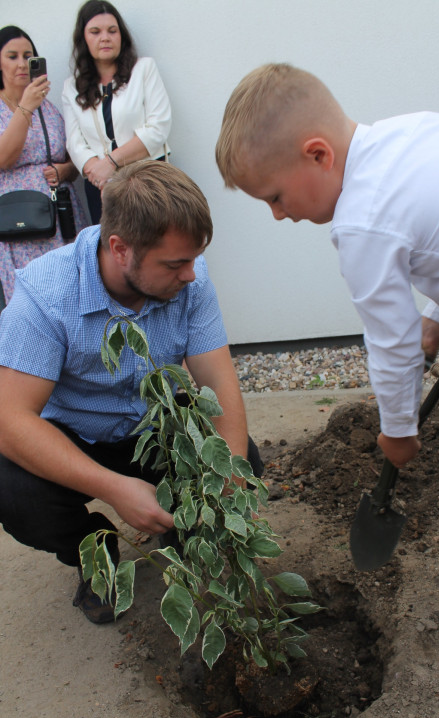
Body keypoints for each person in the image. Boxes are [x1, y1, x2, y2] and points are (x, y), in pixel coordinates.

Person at [215, 62, 439, 668]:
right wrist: (438, 318)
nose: (277, 214)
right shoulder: (410, 138)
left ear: (317, 154)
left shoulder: (362, 221)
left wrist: (397, 431)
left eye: (274, 196)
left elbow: (392, 344)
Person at [0, 160, 262, 624]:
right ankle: (93, 548)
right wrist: (115, 490)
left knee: (242, 457)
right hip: (76, 435)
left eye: (193, 259)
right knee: (11, 491)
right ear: (120, 248)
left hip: (155, 427)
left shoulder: (190, 279)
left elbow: (218, 384)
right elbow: (10, 419)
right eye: (175, 263)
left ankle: (184, 536)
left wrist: (230, 485)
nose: (190, 276)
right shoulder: (46, 295)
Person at [0, 25, 87, 306]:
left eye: (28, 56)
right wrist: (25, 107)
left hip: (58, 217)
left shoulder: (48, 107)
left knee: (69, 294)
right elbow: (4, 159)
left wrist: (65, 171)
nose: (22, 63)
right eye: (12, 56)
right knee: (30, 301)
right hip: (17, 223)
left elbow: (71, 156)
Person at [62, 1, 172, 224]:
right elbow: (75, 144)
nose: (105, 37)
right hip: (99, 187)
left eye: (112, 31)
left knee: (154, 248)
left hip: (147, 180)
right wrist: (101, 177)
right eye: (95, 32)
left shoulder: (143, 69)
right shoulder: (71, 87)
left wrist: (110, 163)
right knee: (113, 253)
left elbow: (158, 127)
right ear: (83, 39)